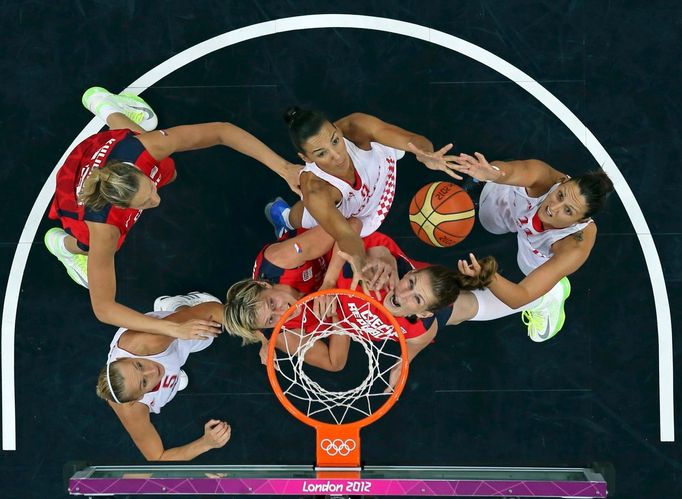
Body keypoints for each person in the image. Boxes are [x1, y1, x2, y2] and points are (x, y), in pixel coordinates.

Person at [45, 87, 301, 339]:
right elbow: (104, 309)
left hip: (113, 151)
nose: (156, 201)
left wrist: (284, 168)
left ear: (137, 171)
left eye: (150, 190)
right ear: (122, 207)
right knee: (87, 243)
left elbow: (222, 131)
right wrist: (173, 328)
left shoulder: (146, 148)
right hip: (76, 190)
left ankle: (105, 105)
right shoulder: (104, 228)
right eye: (145, 203)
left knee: (163, 163)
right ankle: (62, 246)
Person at [223, 232, 570, 380]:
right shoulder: (283, 331)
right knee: (447, 314)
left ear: (264, 286)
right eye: (271, 320)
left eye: (271, 303)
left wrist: (335, 283)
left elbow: (348, 232)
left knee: (457, 309)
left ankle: (543, 293)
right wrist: (340, 321)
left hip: (346, 268)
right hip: (364, 310)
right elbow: (335, 361)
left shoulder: (287, 264)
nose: (280, 311)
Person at [264, 107, 463, 284]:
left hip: (380, 176)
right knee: (307, 216)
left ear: (338, 129)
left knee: (391, 142)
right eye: (321, 153)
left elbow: (412, 140)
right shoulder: (316, 189)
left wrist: (425, 154)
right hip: (358, 218)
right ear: (306, 158)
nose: (337, 155)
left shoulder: (355, 127)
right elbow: (345, 235)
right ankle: (285, 218)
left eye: (335, 140)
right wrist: (359, 261)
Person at [451, 152, 614, 338]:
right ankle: (484, 191)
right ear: (561, 182)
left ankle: (549, 296)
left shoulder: (573, 245)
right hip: (512, 207)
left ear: (581, 220)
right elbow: (510, 172)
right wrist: (493, 173)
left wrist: (489, 278)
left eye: (568, 210)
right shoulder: (544, 178)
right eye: (560, 195)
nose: (554, 208)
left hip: (539, 250)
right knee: (488, 222)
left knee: (528, 271)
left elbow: (520, 296)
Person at [95, 292, 230, 461]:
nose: (152, 370)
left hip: (171, 335)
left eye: (139, 365)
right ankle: (172, 373)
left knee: (211, 328)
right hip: (170, 358)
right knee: (172, 367)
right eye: (144, 382)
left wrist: (261, 337)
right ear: (136, 399)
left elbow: (212, 309)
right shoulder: (131, 411)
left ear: (124, 357)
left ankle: (177, 306)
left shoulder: (151, 342)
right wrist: (206, 443)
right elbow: (158, 458)